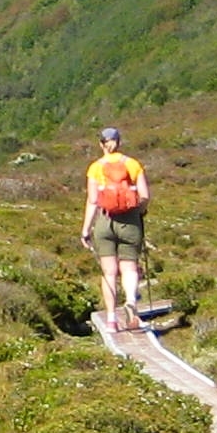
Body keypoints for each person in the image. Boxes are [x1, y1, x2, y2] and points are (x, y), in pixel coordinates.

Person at [82, 126, 150, 334]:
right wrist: (138, 212)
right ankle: (131, 302)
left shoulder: (95, 168)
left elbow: (93, 201)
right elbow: (145, 196)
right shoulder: (133, 164)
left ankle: (111, 320)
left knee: (109, 272)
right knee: (129, 268)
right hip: (130, 221)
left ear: (101, 144)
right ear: (119, 142)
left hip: (105, 222)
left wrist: (86, 230)